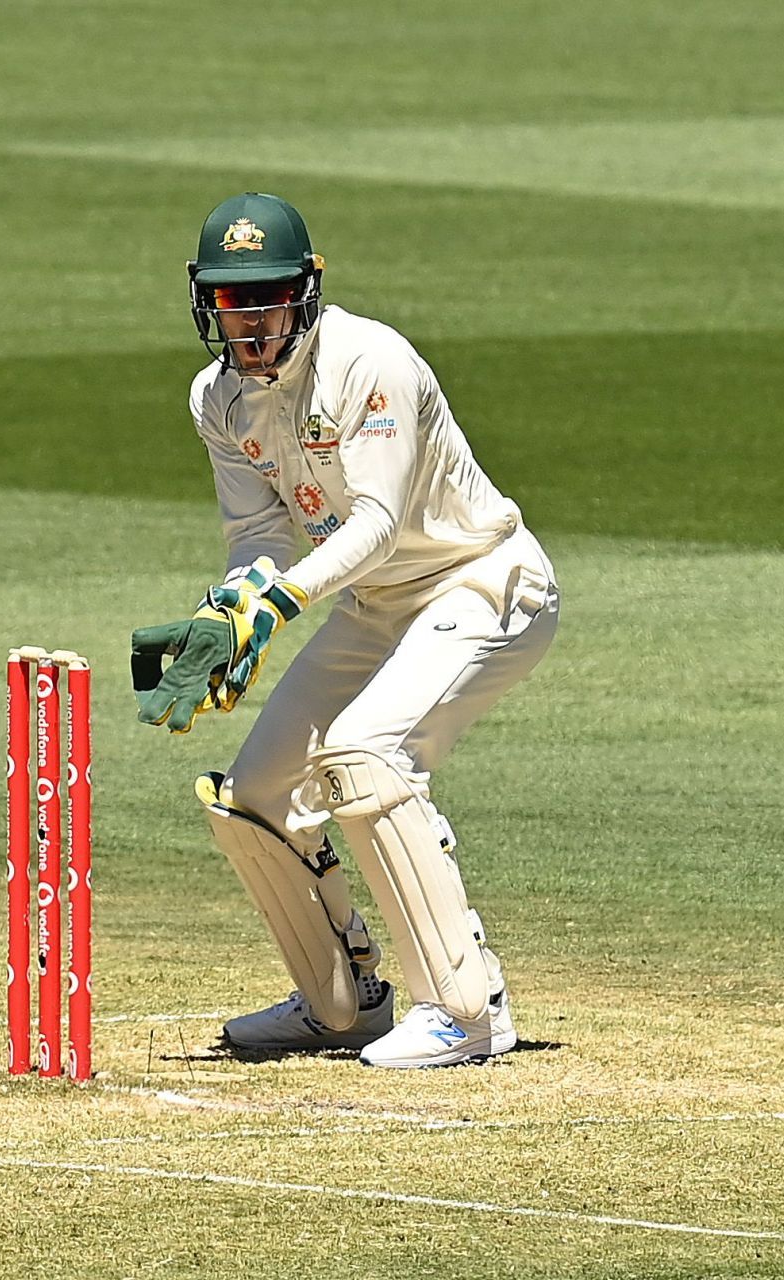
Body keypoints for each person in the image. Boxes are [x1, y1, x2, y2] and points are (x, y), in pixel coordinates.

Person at [130, 194, 560, 1068]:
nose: (248, 321)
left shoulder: (373, 363)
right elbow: (257, 539)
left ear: (306, 291)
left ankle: (467, 1009)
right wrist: (232, 610)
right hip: (377, 606)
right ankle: (343, 1001)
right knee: (256, 792)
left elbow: (378, 524)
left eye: (267, 298)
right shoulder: (217, 400)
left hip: (481, 582)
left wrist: (275, 607)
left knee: (365, 751)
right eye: (230, 300)